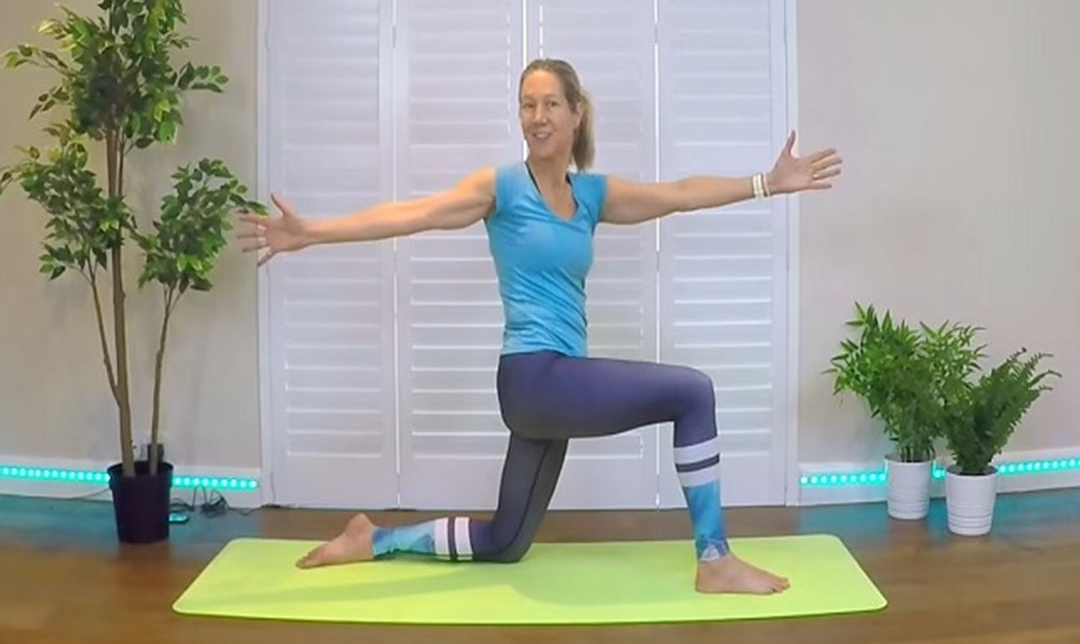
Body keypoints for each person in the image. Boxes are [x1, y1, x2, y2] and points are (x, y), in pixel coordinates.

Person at [239, 58, 841, 595]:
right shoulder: (500, 188)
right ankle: (715, 559)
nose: (538, 115)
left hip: (554, 384)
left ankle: (373, 538)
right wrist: (311, 232)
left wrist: (766, 183)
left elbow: (678, 194)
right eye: (528, 104)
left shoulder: (591, 196)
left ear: (576, 114)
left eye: (551, 103)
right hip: (534, 378)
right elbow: (411, 214)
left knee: (506, 540)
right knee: (692, 392)